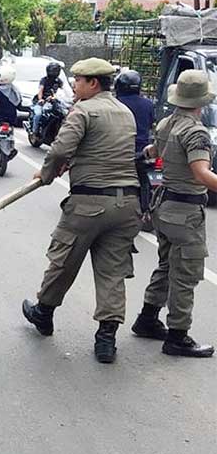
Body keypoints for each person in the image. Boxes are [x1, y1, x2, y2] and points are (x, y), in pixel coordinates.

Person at [22, 58, 141, 364]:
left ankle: (43, 312)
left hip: (89, 203)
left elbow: (61, 149)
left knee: (64, 260)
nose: (74, 85)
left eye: (78, 80)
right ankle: (106, 339)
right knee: (113, 272)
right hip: (127, 204)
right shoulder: (125, 112)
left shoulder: (83, 110)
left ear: (93, 83)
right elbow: (105, 150)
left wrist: (46, 174)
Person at [131, 70, 215, 357]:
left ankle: (147, 318)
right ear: (202, 101)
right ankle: (178, 336)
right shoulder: (196, 132)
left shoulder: (168, 123)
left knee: (167, 265)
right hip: (185, 212)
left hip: (164, 206)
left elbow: (154, 150)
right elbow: (201, 173)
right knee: (185, 274)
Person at [115, 69, 155, 217]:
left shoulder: (115, 104)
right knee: (145, 181)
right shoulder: (148, 104)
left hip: (120, 150)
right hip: (143, 151)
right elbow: (150, 124)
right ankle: (146, 211)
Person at [30, 62, 65, 133]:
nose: (54, 72)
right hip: (42, 102)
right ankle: (35, 132)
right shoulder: (44, 80)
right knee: (38, 114)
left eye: (56, 70)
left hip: (53, 102)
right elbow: (40, 90)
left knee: (62, 114)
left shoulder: (58, 81)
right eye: (53, 70)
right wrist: (41, 99)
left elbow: (64, 90)